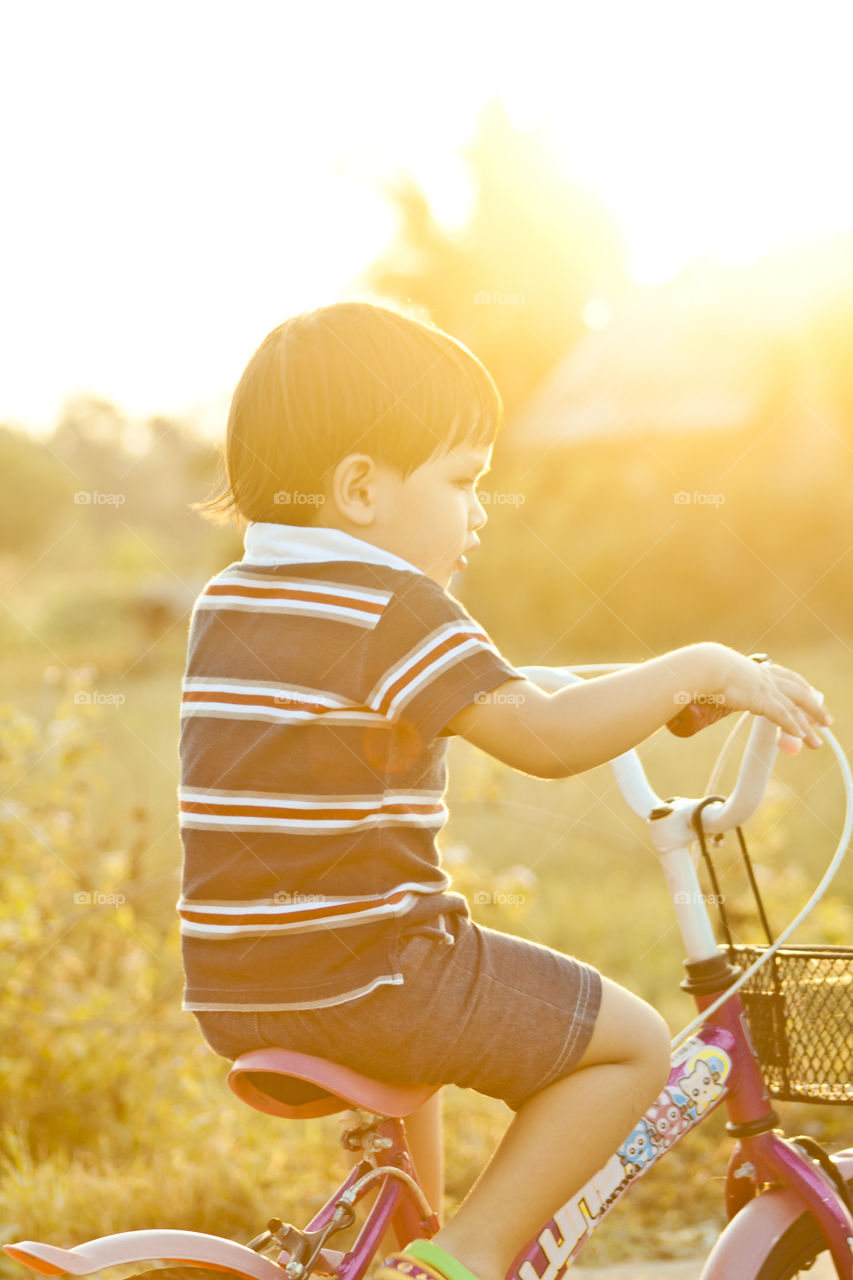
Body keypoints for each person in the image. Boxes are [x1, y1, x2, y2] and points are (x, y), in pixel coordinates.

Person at [178, 301, 830, 1280]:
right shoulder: (397, 605)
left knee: (415, 1062)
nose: (480, 510)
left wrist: (611, 689)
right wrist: (702, 660)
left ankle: (416, 1245)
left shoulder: (229, 600)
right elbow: (540, 733)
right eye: (463, 479)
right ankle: (471, 1257)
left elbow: (465, 689)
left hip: (236, 984)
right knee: (634, 1044)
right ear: (360, 488)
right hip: (377, 973)